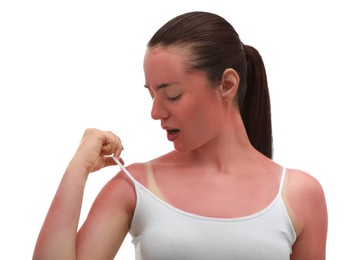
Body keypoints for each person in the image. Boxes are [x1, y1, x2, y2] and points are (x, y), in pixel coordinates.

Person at [33, 11, 328, 260]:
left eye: (172, 95)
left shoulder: (299, 194)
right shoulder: (135, 185)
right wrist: (77, 170)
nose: (155, 112)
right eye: (151, 94)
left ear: (227, 84)